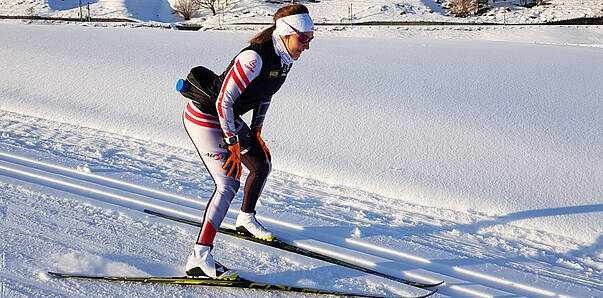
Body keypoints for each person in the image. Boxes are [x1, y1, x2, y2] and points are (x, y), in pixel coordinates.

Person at [179, 4, 314, 279]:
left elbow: (266, 94)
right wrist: (233, 143)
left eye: (311, 38)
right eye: (303, 38)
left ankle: (245, 219)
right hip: (204, 115)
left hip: (226, 117)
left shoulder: (283, 58)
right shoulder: (254, 58)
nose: (307, 46)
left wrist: (256, 133)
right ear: (287, 33)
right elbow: (223, 101)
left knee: (261, 164)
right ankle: (199, 258)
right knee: (228, 182)